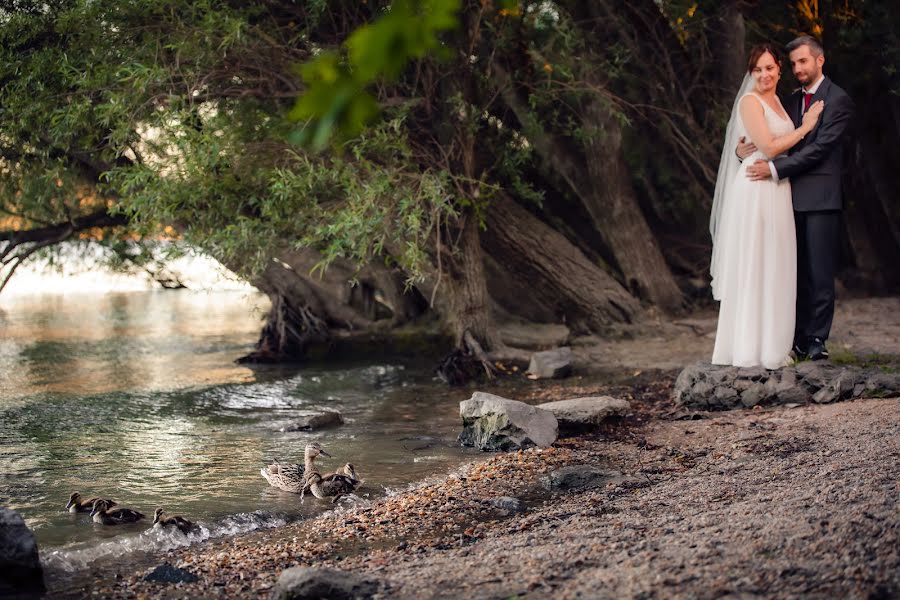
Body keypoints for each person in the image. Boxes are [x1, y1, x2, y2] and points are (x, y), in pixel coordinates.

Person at [738, 36, 855, 361]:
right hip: (784, 195)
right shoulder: (786, 100)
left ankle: (817, 340)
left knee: (819, 273)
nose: (798, 68)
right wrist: (741, 151)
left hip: (819, 196)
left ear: (820, 60)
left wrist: (773, 168)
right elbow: (768, 138)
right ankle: (795, 337)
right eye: (793, 64)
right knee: (791, 271)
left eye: (803, 61)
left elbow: (819, 150)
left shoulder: (838, 100)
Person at [710, 44, 824, 369]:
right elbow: (770, 147)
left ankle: (774, 345)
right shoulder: (749, 101)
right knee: (755, 264)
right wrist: (806, 127)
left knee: (777, 264)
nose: (764, 75)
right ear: (751, 74)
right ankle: (748, 347)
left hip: (778, 188)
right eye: (757, 70)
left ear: (779, 69)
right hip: (756, 188)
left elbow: (760, 145)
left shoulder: (779, 100)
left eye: (770, 68)